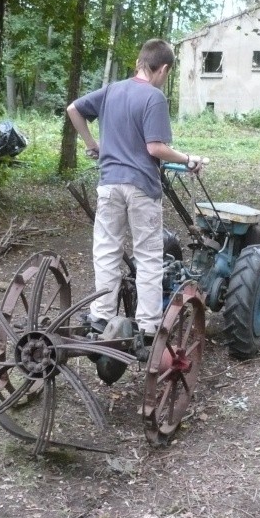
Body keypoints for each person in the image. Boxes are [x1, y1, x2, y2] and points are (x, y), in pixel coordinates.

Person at [66, 38, 204, 337]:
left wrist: (93, 145)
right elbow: (155, 148)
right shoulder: (153, 97)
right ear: (163, 68)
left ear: (139, 62)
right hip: (141, 187)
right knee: (148, 256)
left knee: (106, 251)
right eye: (166, 75)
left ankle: (101, 316)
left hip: (109, 184)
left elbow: (73, 109)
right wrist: (189, 159)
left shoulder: (112, 91)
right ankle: (149, 325)